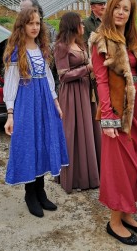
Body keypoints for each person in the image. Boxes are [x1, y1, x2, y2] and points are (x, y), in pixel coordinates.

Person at [89, 0, 137, 246]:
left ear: (131, 13)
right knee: (120, 168)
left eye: (126, 9)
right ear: (109, 10)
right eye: (117, 7)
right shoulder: (100, 40)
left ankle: (127, 214)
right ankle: (114, 222)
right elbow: (101, 82)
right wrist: (108, 118)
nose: (120, 12)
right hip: (117, 111)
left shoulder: (135, 39)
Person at [3, 7, 68, 218]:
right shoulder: (16, 52)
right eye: (30, 23)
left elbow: (49, 80)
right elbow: (10, 84)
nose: (35, 27)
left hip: (44, 104)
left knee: (43, 144)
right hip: (26, 105)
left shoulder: (41, 49)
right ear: (22, 25)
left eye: (38, 23)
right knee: (29, 145)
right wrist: (10, 113)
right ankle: (30, 194)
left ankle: (40, 191)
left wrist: (56, 102)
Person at [54, 12, 101, 194]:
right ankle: (74, 177)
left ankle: (91, 174)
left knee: (89, 130)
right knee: (72, 133)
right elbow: (63, 76)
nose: (83, 25)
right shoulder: (61, 47)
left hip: (85, 91)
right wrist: (87, 68)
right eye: (80, 23)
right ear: (72, 25)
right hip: (71, 94)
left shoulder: (80, 44)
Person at [0, 0, 59, 90]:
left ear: (37, 10)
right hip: (24, 90)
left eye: (27, 10)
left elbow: (56, 65)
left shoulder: (51, 33)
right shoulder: (11, 42)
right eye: (21, 10)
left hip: (47, 88)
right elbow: (3, 68)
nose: (23, 13)